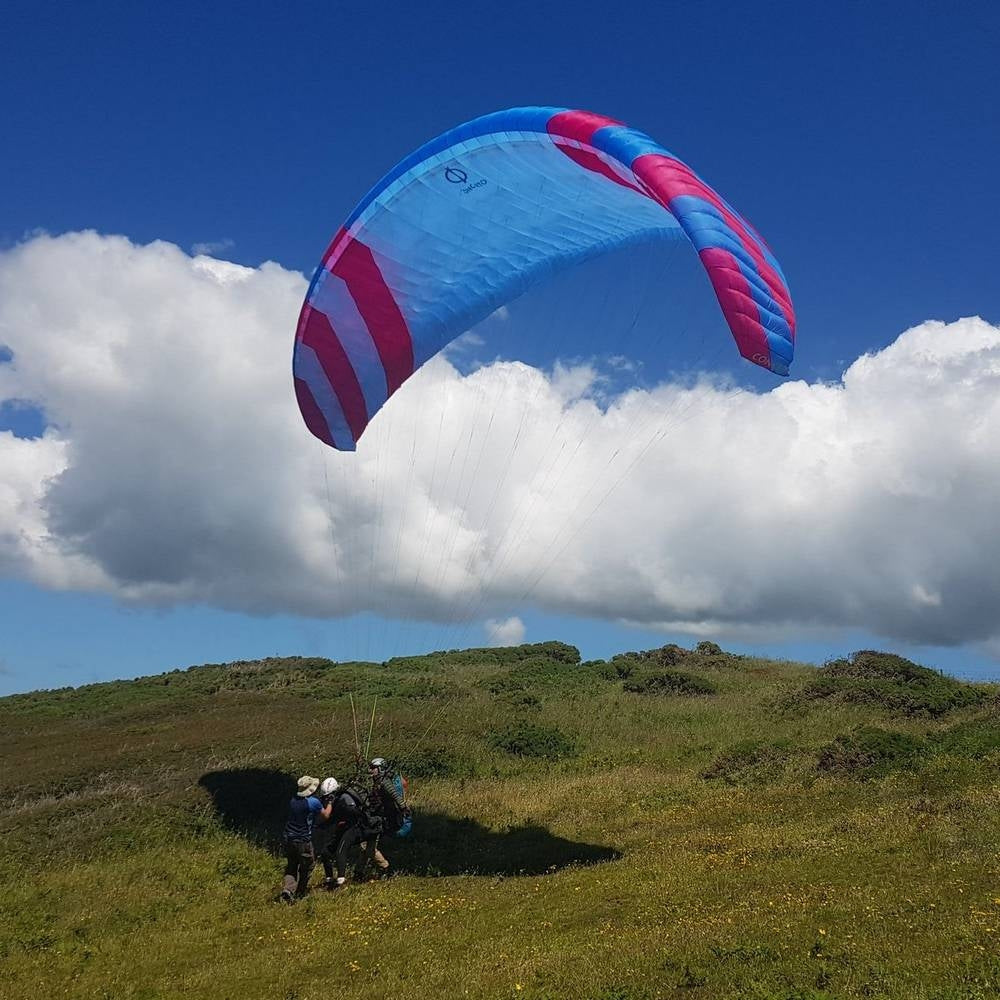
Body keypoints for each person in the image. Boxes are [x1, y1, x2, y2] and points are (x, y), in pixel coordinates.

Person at [280, 775, 331, 902]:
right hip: (302, 839)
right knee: (308, 865)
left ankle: (288, 889)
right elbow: (325, 815)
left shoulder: (292, 800)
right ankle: (300, 892)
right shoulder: (313, 802)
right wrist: (330, 802)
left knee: (292, 864)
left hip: (288, 837)